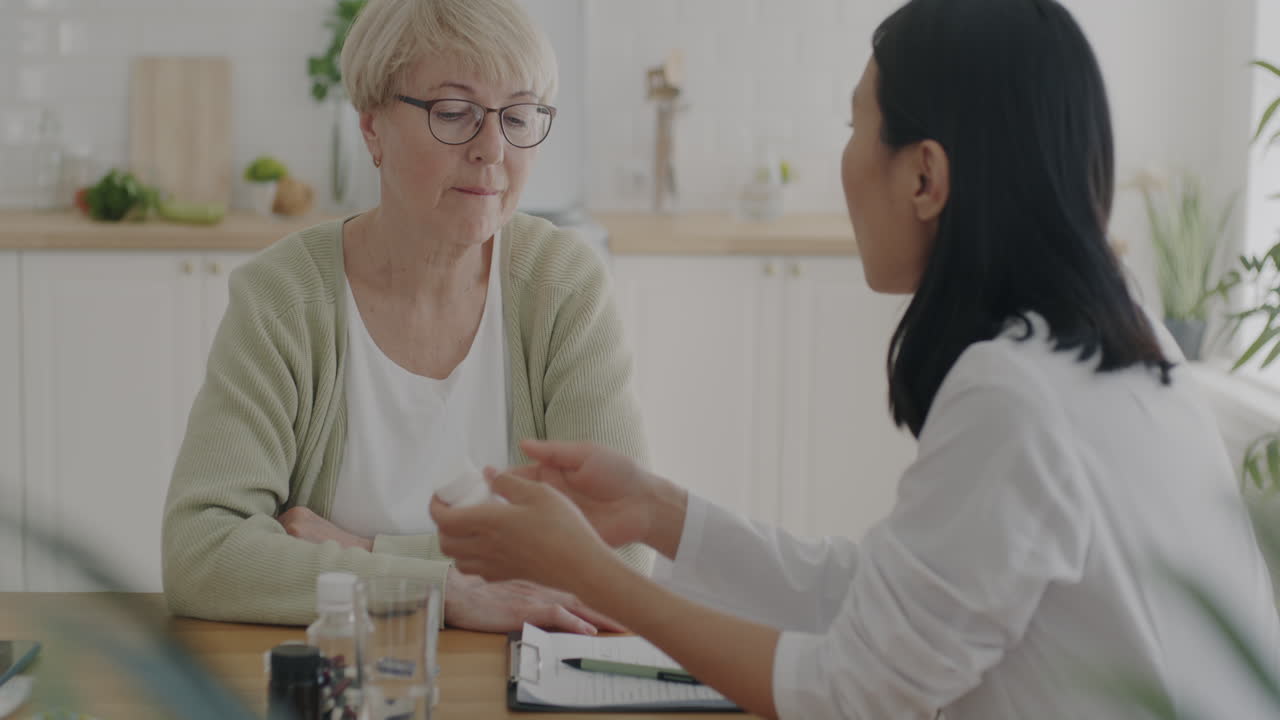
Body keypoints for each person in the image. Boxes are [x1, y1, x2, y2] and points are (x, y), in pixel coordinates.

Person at [430, 0, 1280, 717]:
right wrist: (656, 509)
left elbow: (850, 691)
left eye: (853, 126)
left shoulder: (1015, 397)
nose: (844, 160)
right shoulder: (1117, 342)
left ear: (924, 178)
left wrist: (589, 575)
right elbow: (883, 600)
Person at [162, 0, 652, 633]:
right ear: (371, 130)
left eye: (519, 115)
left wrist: (369, 556)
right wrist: (449, 590)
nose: (492, 149)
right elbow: (200, 553)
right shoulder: (283, 296)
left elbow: (620, 562)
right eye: (454, 113)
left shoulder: (562, 285)